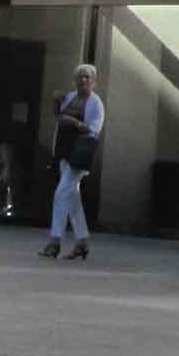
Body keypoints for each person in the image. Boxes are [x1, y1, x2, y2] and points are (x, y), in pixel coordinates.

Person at [38, 63, 105, 261]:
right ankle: (82, 242)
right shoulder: (69, 97)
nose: (83, 80)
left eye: (87, 77)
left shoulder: (95, 103)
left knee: (61, 192)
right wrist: (55, 102)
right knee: (72, 198)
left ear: (93, 82)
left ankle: (54, 241)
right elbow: (58, 117)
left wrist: (74, 123)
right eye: (80, 77)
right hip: (64, 152)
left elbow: (94, 129)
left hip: (80, 154)